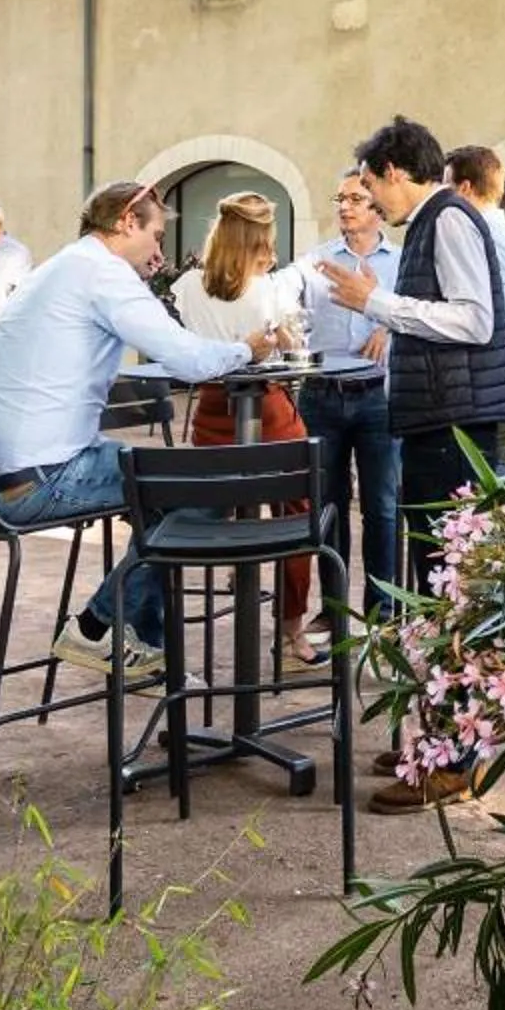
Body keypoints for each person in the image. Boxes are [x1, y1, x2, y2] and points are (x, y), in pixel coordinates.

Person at [0, 179, 276, 674]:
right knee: (210, 488)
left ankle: (142, 651)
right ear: (128, 222)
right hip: (37, 480)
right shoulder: (104, 275)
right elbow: (189, 360)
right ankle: (95, 628)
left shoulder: (65, 265)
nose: (159, 251)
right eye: (155, 236)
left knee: (159, 497)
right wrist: (248, 349)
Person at [320, 117, 505, 814]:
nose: (370, 200)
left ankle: (455, 760)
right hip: (442, 422)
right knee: (440, 586)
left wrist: (374, 302)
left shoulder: (450, 220)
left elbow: (474, 319)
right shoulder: (438, 222)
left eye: (370, 185)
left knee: (451, 591)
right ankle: (439, 744)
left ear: (396, 173)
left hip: (455, 429)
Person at [173, 191, 322, 663]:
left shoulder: (186, 286)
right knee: (298, 513)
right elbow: (292, 349)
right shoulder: (269, 291)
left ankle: (242, 564)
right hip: (269, 410)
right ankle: (291, 629)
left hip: (212, 414)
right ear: (259, 241)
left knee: (230, 496)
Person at [287, 172, 400, 635]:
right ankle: (333, 609)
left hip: (379, 399)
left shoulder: (403, 262)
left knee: (383, 508)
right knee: (328, 507)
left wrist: (388, 325)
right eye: (341, 198)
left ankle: (382, 612)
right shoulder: (315, 262)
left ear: (378, 208)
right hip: (321, 396)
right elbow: (287, 307)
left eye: (355, 198)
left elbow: (423, 312)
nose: (344, 206)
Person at [444, 145, 505, 384]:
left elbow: (500, 319)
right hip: (504, 373)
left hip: (491, 377)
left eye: (446, 187)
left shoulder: (486, 239)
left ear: (464, 188)